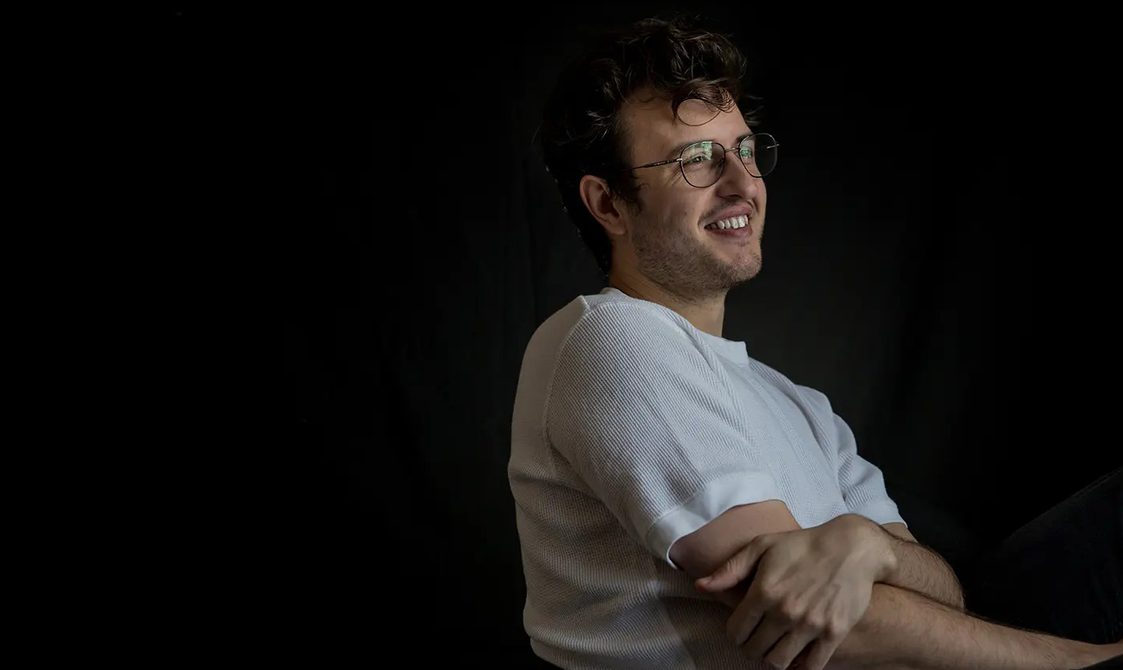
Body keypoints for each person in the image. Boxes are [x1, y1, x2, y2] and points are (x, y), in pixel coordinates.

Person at [507, 14, 1123, 670]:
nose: (743, 184)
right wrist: (1078, 664)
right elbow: (801, 620)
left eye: (745, 151)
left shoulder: (802, 406)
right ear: (608, 204)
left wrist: (874, 549)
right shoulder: (610, 338)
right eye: (697, 160)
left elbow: (946, 595)